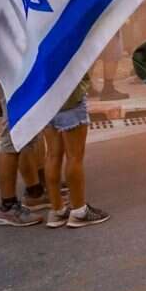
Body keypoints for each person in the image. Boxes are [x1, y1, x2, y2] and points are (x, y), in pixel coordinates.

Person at [43, 74, 109, 228]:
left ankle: (57, 210)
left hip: (46, 98)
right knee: (74, 156)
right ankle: (79, 211)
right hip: (70, 95)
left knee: (52, 155)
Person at [0, 85, 50, 226]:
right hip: (12, 81)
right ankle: (7, 207)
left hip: (19, 80)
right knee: (12, 139)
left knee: (26, 135)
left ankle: (35, 192)